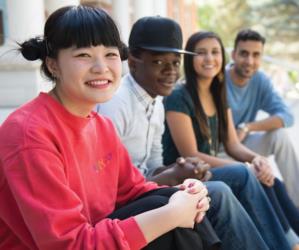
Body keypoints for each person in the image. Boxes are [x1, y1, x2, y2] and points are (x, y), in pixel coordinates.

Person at [0, 6, 215, 250]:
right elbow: (70, 244)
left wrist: (185, 192)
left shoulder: (100, 124)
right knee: (168, 215)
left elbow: (133, 190)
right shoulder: (30, 134)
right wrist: (172, 214)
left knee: (173, 200)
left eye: (110, 54)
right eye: (83, 55)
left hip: (96, 233)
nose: (101, 67)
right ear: (53, 65)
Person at [99, 16, 288, 250]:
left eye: (175, 63)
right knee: (220, 191)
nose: (170, 71)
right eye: (159, 62)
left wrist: (183, 168)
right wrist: (173, 175)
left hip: (151, 187)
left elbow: (156, 163)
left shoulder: (156, 102)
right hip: (128, 203)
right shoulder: (117, 104)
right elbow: (108, 186)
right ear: (134, 62)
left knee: (249, 176)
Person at [162, 30, 299, 250]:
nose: (209, 58)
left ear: (223, 57)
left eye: (215, 52)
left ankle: (293, 243)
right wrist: (245, 166)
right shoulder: (179, 95)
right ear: (190, 58)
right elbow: (191, 154)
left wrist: (257, 159)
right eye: (201, 53)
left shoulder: (218, 92)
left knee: (267, 177)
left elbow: (232, 144)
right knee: (245, 173)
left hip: (208, 169)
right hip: (187, 175)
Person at [225, 29, 299, 208]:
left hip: (243, 145)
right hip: (217, 150)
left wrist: (247, 127)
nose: (250, 61)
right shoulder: (219, 79)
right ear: (234, 54)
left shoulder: (260, 80)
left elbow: (287, 116)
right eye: (244, 54)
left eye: (256, 55)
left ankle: (297, 205)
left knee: (279, 135)